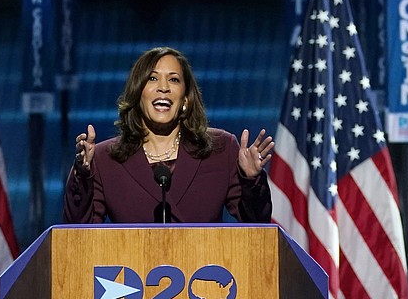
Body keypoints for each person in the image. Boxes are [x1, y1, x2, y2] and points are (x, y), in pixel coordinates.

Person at [63, 46, 274, 224]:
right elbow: (78, 234)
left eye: (174, 80)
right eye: (152, 78)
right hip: (134, 271)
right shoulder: (105, 158)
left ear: (185, 100)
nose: (163, 88)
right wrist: (83, 175)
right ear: (138, 95)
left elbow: (255, 225)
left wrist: (251, 179)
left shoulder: (221, 149)